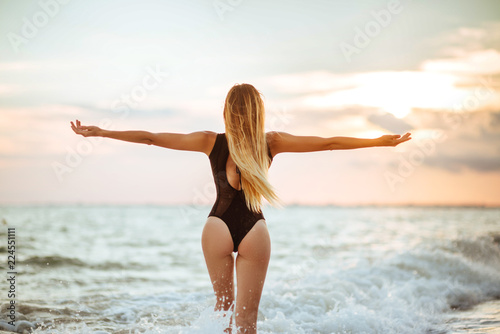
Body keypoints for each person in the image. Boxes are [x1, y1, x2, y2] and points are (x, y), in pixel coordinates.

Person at [71, 83, 411, 333]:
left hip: (216, 226)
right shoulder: (271, 142)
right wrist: (378, 141)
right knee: (247, 323)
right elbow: (330, 143)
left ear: (227, 111)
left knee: (223, 312)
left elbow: (151, 137)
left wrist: (102, 132)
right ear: (258, 112)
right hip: (254, 230)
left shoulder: (210, 141)